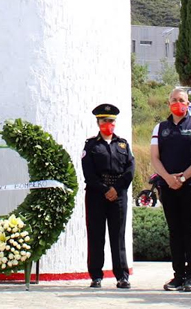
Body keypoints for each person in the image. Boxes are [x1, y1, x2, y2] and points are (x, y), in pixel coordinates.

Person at [150, 87, 191, 293]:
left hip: (190, 184)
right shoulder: (160, 128)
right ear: (169, 103)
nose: (178, 103)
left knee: (190, 229)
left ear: (189, 103)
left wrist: (183, 177)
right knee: (174, 230)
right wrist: (168, 178)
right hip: (167, 186)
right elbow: (155, 158)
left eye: (182, 100)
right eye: (174, 100)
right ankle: (178, 275)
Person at [81, 103, 134, 290]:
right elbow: (88, 173)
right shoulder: (91, 145)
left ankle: (122, 276)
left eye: (111, 121)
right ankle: (96, 276)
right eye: (104, 121)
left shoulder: (123, 144)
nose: (108, 124)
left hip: (118, 195)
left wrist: (116, 189)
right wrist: (105, 189)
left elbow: (129, 170)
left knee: (118, 236)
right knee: (96, 236)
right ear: (98, 122)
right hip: (97, 194)